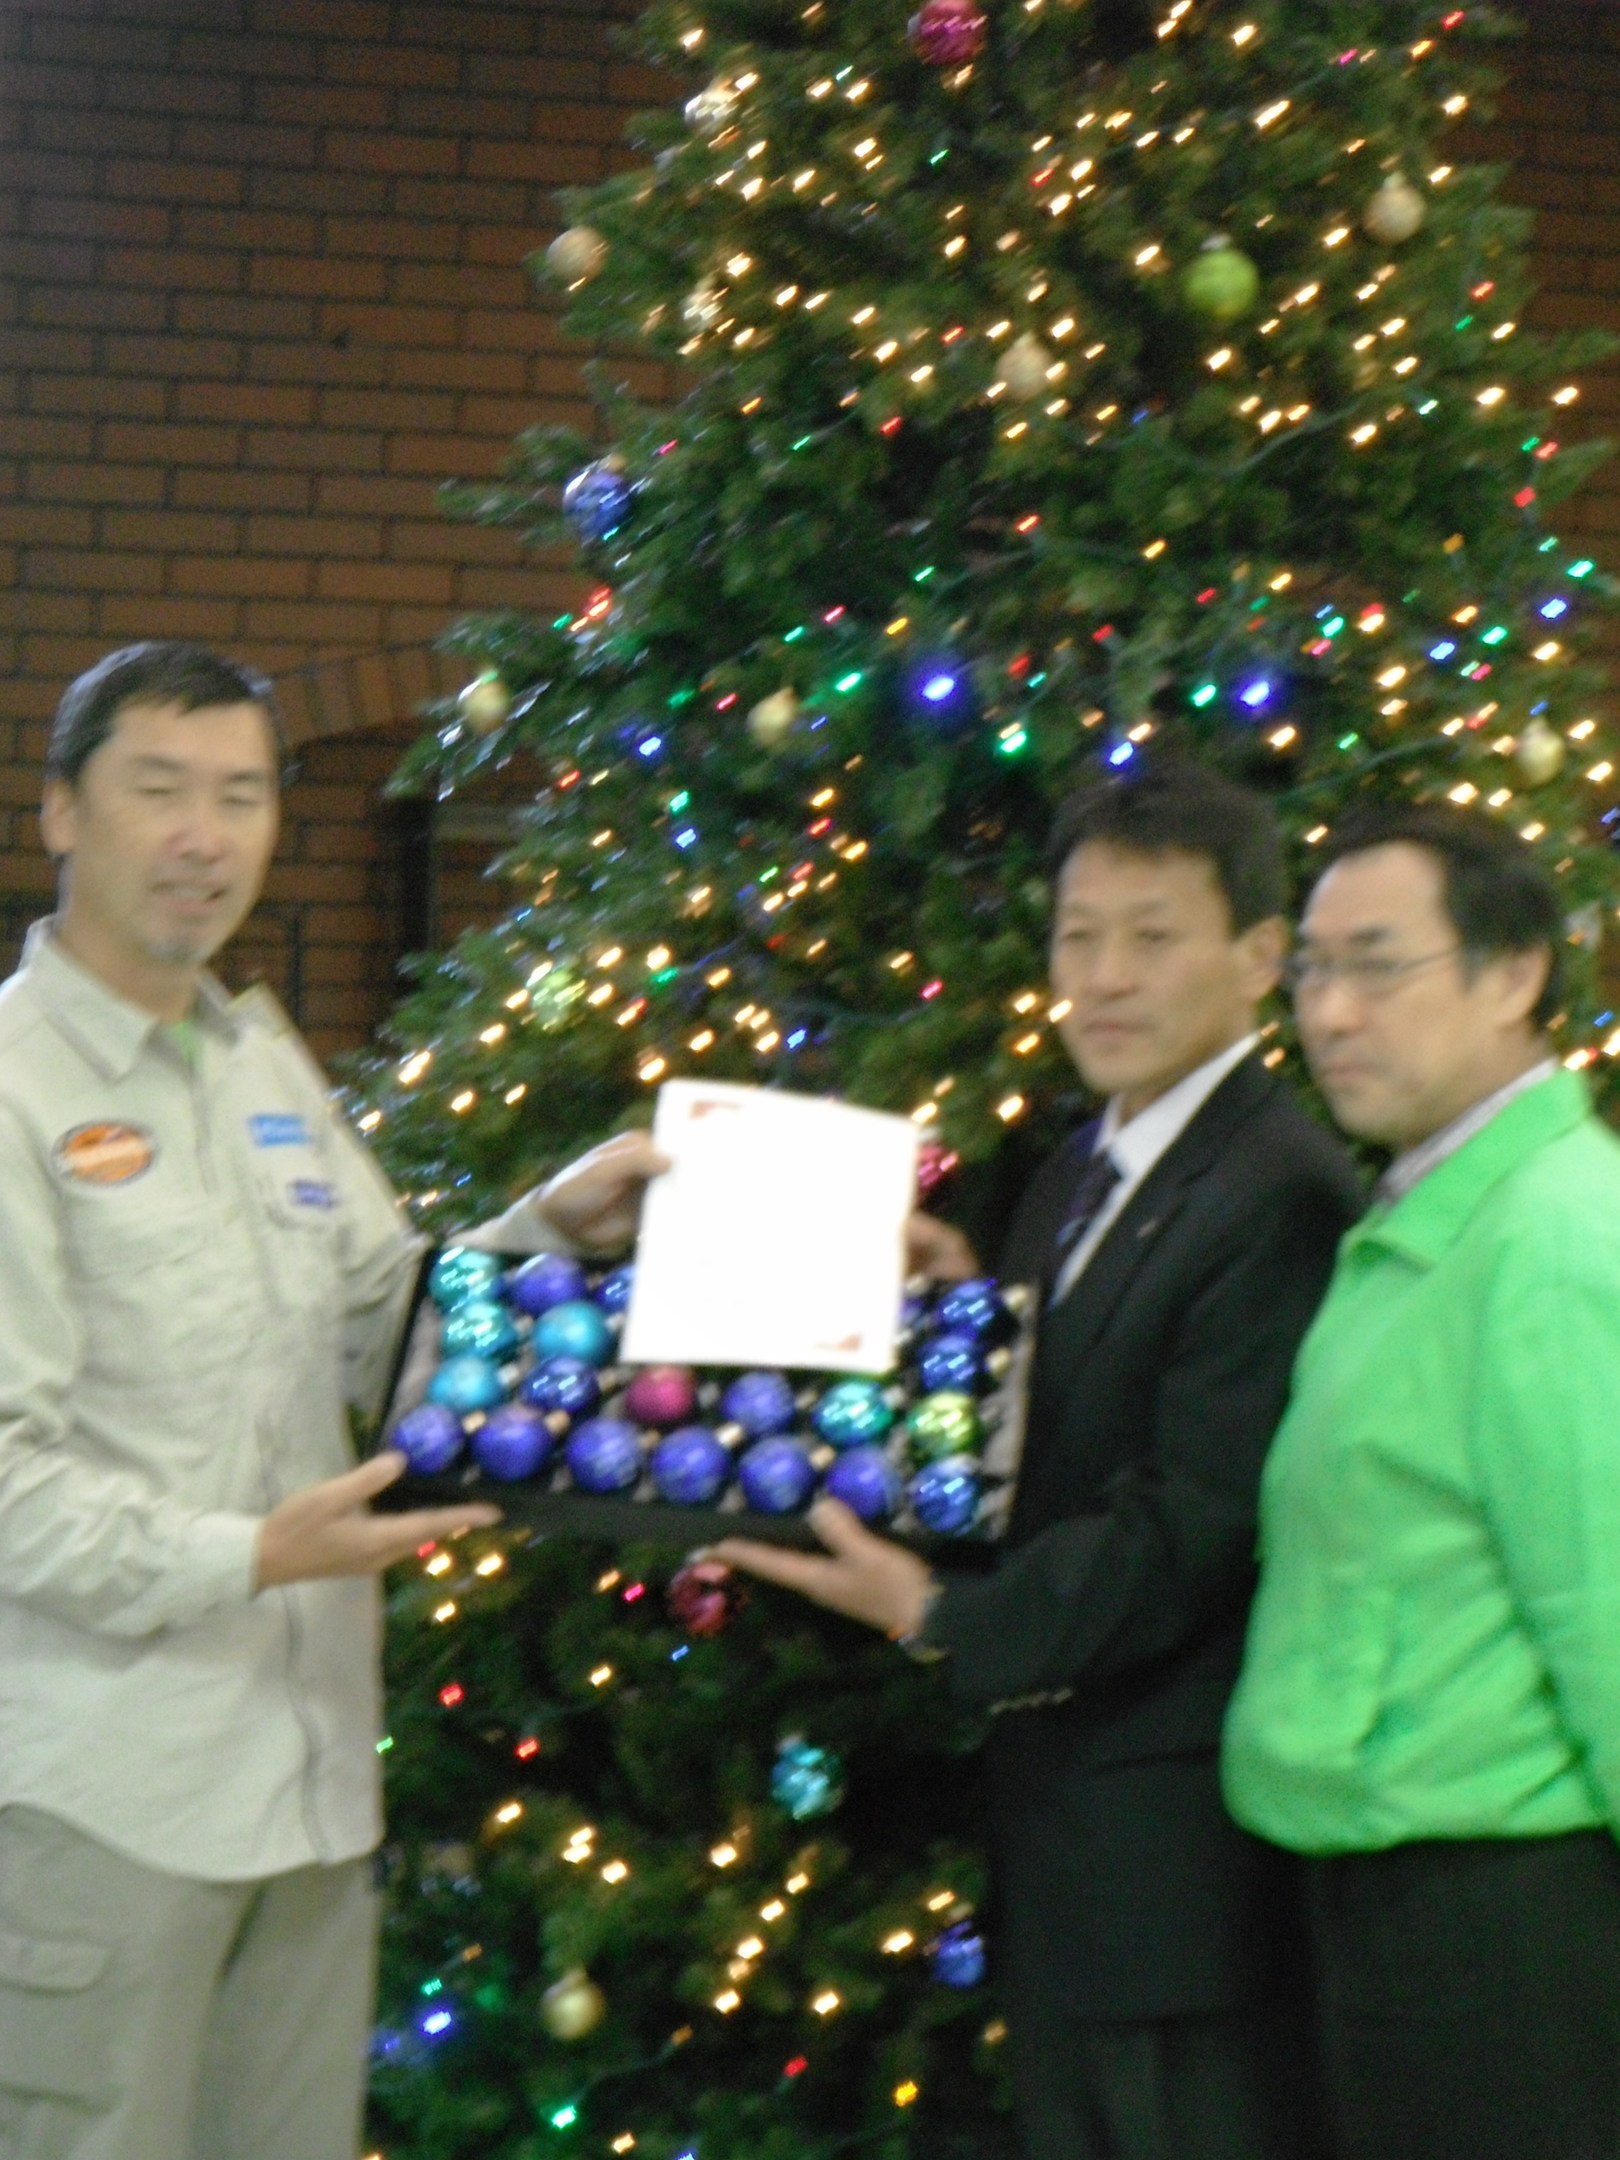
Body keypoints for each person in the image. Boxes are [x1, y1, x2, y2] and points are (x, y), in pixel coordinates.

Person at [0, 642, 662, 2160]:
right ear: (62, 813)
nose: (203, 837)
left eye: (241, 795)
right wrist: (250, 1555)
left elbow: (380, 1326)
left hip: (306, 1797)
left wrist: (543, 1233)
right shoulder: (14, 1093)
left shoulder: (258, 1065)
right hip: (101, 1808)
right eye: (160, 790)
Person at [718, 757, 1363, 2160]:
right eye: (1078, 936)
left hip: (1182, 1881)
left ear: (1260, 956)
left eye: (1153, 936)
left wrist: (937, 1615)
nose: (1104, 978)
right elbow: (1064, 1432)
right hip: (1072, 1849)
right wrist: (966, 1327)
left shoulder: (1283, 1193)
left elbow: (1191, 1528)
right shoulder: (1083, 1166)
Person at [1222, 802, 1620, 2160]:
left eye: (1378, 967)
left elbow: (1608, 1615)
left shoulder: (1557, 1237)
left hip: (1509, 1931)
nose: (1330, 1014)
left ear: (1515, 976)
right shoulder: (1436, 1215)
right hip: (1405, 1911)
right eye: (1312, 971)